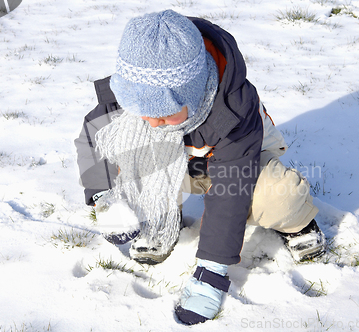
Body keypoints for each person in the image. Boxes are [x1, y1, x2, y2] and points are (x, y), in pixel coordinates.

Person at [74, 9, 325, 325]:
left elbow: (229, 194)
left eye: (164, 114)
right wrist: (105, 199)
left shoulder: (233, 107)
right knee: (125, 147)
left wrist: (212, 271)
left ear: (191, 94)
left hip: (242, 165)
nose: (151, 121)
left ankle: (297, 221)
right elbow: (94, 140)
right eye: (141, 110)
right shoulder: (132, 90)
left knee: (274, 197)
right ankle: (161, 220)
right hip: (187, 162)